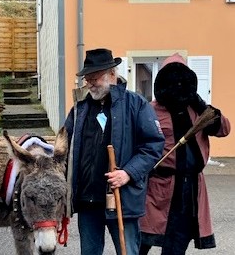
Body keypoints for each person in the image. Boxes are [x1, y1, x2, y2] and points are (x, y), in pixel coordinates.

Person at [64, 48, 165, 255]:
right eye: (87, 78)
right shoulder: (80, 108)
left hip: (122, 198)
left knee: (127, 251)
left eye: (95, 77)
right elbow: (65, 145)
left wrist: (128, 173)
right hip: (87, 199)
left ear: (112, 74)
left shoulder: (136, 104)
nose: (90, 83)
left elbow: (154, 146)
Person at [139, 53, 231, 255]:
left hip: (190, 189)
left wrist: (200, 104)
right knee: (143, 239)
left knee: (177, 242)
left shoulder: (198, 110)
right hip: (159, 187)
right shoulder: (151, 110)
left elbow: (224, 129)